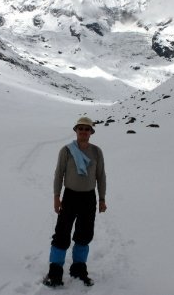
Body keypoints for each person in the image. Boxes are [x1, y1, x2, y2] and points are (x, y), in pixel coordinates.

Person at [43, 116, 107, 287]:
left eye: (87, 129)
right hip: (70, 196)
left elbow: (100, 176)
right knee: (62, 233)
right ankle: (55, 272)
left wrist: (102, 198)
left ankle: (78, 269)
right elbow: (59, 174)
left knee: (84, 235)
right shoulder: (66, 150)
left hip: (88, 198)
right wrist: (57, 197)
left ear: (91, 132)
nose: (83, 132)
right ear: (76, 130)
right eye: (81, 128)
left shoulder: (96, 152)